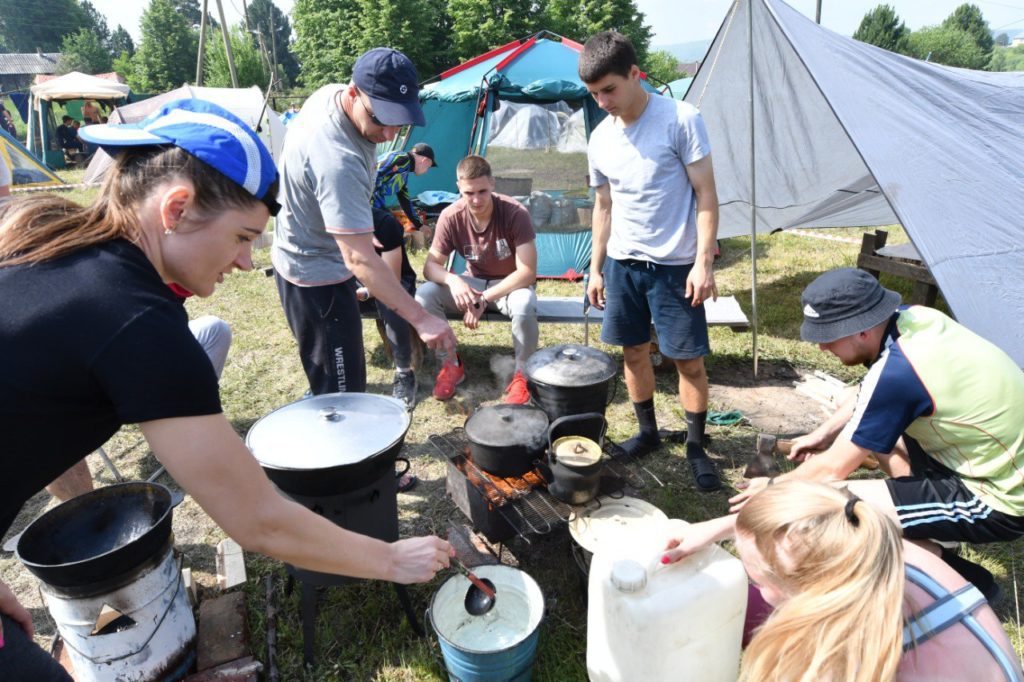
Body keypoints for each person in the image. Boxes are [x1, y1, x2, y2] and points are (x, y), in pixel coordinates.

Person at [0, 99, 452, 680]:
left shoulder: (67, 254)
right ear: (178, 208)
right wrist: (391, 558)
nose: (244, 262)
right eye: (241, 237)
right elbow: (258, 519)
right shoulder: (136, 321)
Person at [730, 268, 1024, 600]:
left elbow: (831, 470)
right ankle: (923, 529)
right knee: (877, 449)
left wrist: (770, 489)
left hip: (998, 495)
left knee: (841, 513)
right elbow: (869, 392)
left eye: (828, 335)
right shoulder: (912, 319)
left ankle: (969, 584)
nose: (823, 347)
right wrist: (825, 433)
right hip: (982, 454)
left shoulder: (901, 371)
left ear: (863, 331)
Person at [662, 481, 1022, 682]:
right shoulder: (869, 540)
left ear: (801, 586)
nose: (752, 582)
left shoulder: (839, 652)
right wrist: (718, 528)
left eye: (754, 575)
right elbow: (820, 503)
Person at [579, 31, 721, 491]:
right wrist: (596, 268)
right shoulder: (600, 138)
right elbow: (604, 206)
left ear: (635, 74)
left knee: (688, 361)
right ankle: (647, 432)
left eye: (610, 90)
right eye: (594, 93)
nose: (602, 102)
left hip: (676, 266)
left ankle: (697, 445)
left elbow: (706, 195)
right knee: (633, 351)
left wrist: (703, 263)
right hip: (623, 264)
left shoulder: (681, 119)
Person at [271, 47, 456, 398]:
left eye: (398, 121)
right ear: (354, 93)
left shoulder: (331, 93)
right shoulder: (337, 158)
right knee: (343, 392)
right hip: (314, 274)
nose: (388, 134)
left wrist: (351, 226)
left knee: (340, 377)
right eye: (379, 119)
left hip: (325, 252)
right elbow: (358, 258)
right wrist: (421, 318)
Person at [416, 155, 538, 403]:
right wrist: (453, 280)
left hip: (510, 285)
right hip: (473, 283)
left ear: (492, 183)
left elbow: (527, 272)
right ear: (459, 187)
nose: (476, 200)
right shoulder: (451, 216)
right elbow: (430, 267)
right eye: (469, 193)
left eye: (482, 191)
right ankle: (450, 364)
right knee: (425, 294)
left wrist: (483, 299)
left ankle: (522, 374)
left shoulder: (515, 213)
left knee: (525, 304)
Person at [357, 207, 420, 411]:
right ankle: (339, 376)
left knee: (390, 300)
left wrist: (366, 293)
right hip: (354, 285)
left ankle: (404, 373)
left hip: (394, 281)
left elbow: (391, 279)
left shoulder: (384, 222)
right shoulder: (329, 223)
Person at [373, 142, 437, 231]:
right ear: (425, 161)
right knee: (391, 229)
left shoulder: (405, 169)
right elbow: (373, 176)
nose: (426, 171)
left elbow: (405, 200)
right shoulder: (401, 159)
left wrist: (419, 225)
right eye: (428, 167)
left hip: (370, 202)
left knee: (395, 228)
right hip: (362, 200)